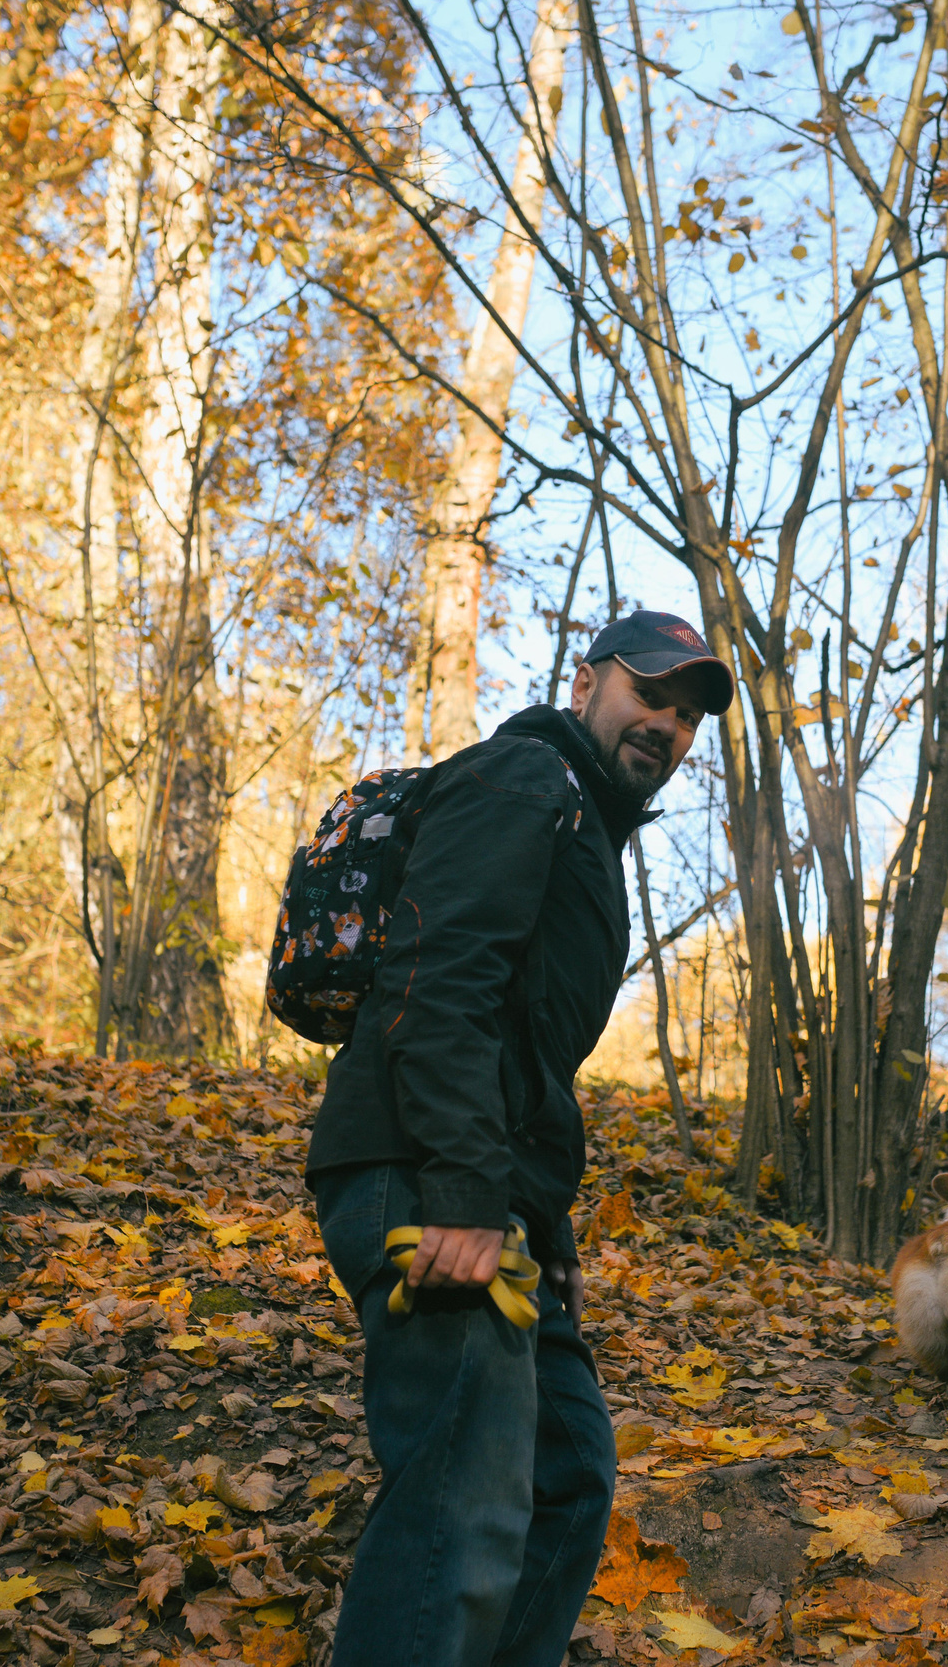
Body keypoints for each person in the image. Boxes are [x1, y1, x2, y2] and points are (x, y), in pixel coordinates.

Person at [306, 610, 734, 1667]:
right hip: (419, 1176)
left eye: (686, 717)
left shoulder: (581, 822)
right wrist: (460, 1192)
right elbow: (437, 980)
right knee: (464, 1497)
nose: (667, 726)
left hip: (489, 1196)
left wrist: (550, 1235)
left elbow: (524, 1055)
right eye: (650, 694)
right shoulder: (525, 779)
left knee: (566, 1474)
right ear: (587, 681)